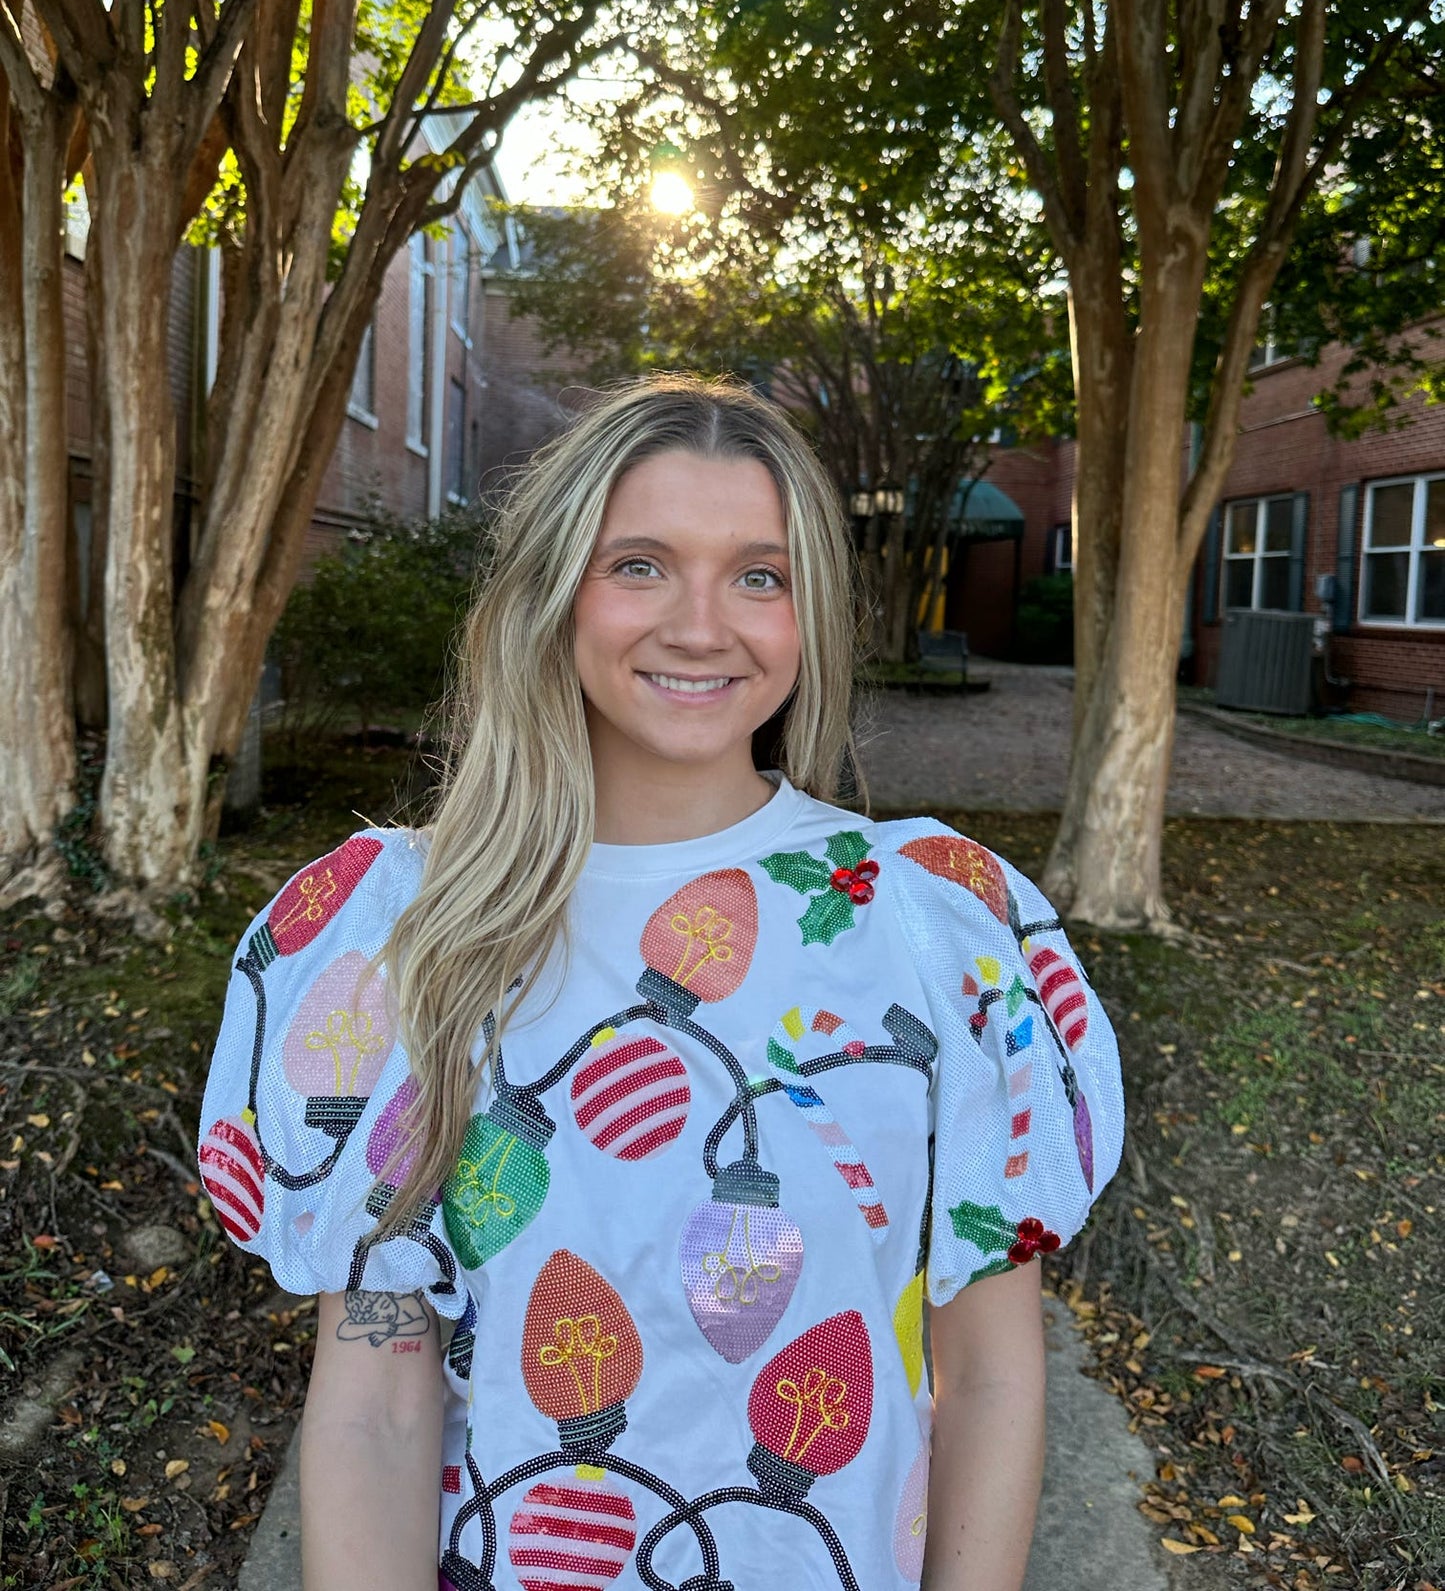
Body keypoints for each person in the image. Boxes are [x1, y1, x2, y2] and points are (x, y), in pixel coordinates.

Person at [198, 374, 1124, 1591]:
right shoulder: (392, 927)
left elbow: (990, 1377)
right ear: (553, 593)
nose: (702, 625)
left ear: (808, 615)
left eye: (759, 574)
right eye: (639, 564)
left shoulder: (933, 923)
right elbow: (374, 1394)